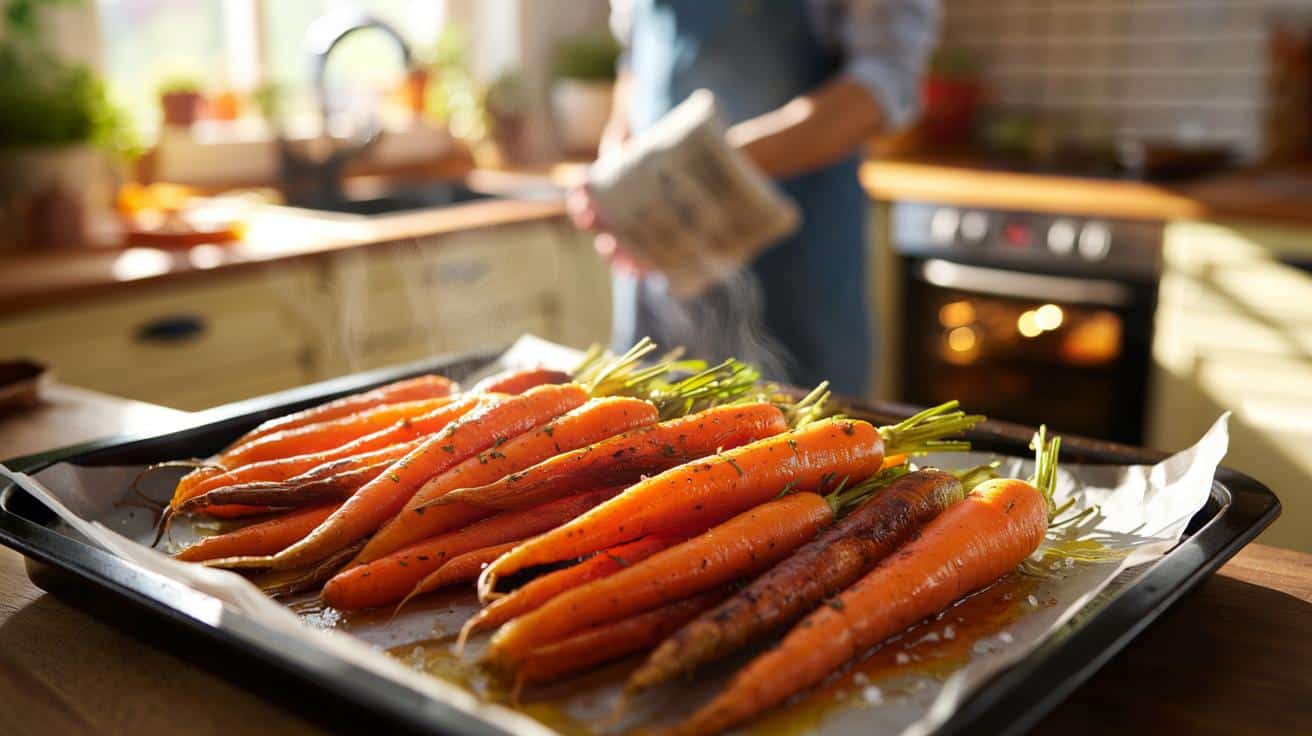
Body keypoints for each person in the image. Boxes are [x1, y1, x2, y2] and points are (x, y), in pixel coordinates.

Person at [571, 0, 938, 397]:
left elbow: (886, 82)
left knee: (803, 437)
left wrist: (703, 166)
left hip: (798, 265)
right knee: (639, 431)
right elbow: (635, 62)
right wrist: (616, 177)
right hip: (655, 261)